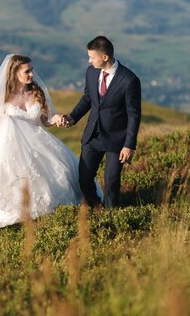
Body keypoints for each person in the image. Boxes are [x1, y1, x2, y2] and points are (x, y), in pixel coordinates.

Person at [0, 54, 103, 239]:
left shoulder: (36, 92)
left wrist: (55, 119)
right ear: (15, 73)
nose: (32, 74)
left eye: (32, 70)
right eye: (27, 71)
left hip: (38, 145)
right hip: (9, 146)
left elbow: (44, 121)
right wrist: (6, 121)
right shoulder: (4, 97)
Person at [60, 36, 141, 208]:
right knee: (84, 178)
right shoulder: (91, 72)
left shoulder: (129, 80)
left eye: (92, 57)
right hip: (92, 136)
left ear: (105, 57)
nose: (89, 61)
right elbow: (88, 99)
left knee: (111, 182)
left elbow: (134, 115)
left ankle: (110, 215)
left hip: (116, 140)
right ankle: (96, 207)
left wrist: (129, 145)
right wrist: (73, 117)